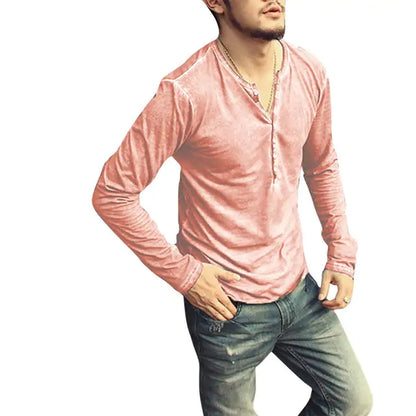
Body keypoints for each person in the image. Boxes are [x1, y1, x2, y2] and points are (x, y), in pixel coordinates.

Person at [92, 0, 373, 414]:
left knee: (351, 402)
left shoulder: (309, 71)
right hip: (226, 308)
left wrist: (341, 250)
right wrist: (185, 274)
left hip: (299, 289)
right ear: (216, 2)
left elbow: (321, 164)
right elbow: (113, 192)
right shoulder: (186, 92)